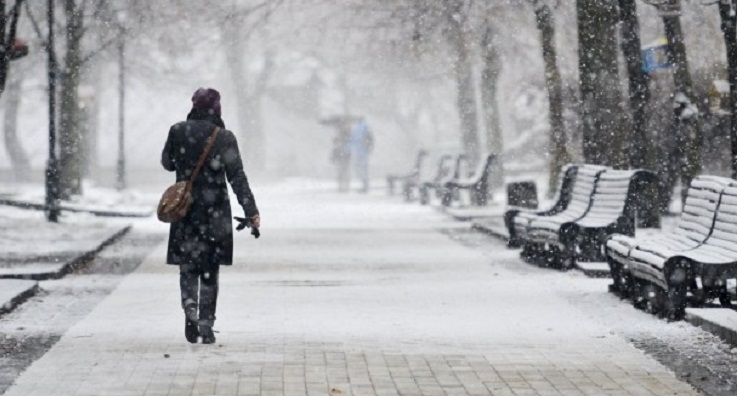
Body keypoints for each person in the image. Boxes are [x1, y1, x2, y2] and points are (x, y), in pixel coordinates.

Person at [161, 87, 260, 344]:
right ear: (216, 108)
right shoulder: (224, 137)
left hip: (186, 209)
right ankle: (206, 323)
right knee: (209, 269)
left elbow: (167, 163)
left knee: (188, 265)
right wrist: (251, 210)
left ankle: (190, 306)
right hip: (216, 212)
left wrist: (184, 159)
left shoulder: (177, 131)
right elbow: (236, 176)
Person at [348, 116, 373, 193]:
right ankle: (365, 185)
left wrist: (348, 148)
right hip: (364, 151)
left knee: (361, 168)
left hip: (361, 151)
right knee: (363, 168)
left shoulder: (360, 128)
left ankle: (365, 186)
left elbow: (354, 139)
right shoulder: (366, 127)